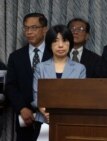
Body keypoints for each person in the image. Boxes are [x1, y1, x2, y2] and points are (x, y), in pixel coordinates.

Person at [5, 13, 52, 141]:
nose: (29, 32)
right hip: (24, 118)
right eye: (26, 28)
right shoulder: (16, 56)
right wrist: (21, 108)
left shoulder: (56, 54)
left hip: (49, 119)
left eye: (34, 27)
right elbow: (10, 86)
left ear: (44, 29)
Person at [31, 24, 86, 126]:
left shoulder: (80, 69)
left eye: (64, 41)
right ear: (49, 44)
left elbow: (80, 97)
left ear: (70, 43)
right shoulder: (40, 67)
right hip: (44, 120)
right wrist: (47, 113)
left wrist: (59, 115)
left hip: (70, 121)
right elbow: (37, 95)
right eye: (55, 41)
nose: (60, 45)